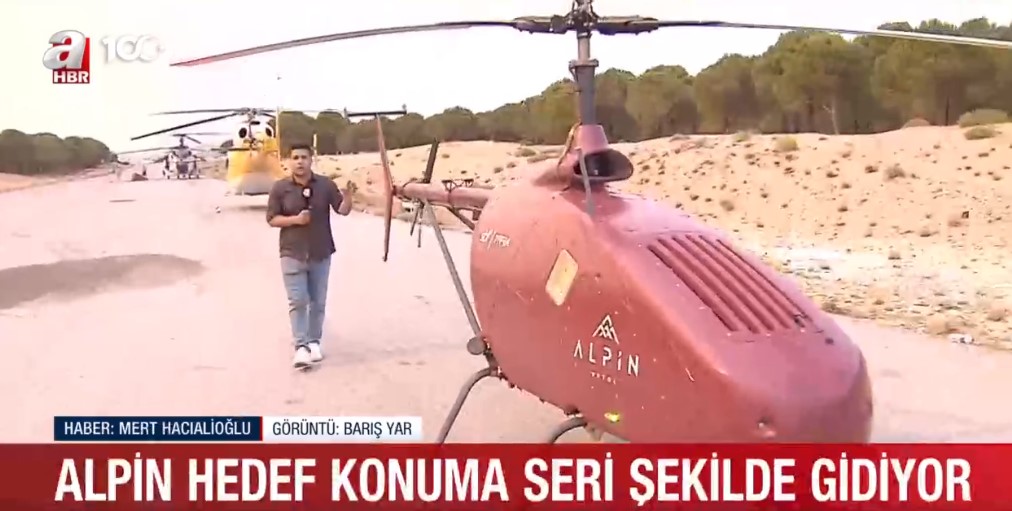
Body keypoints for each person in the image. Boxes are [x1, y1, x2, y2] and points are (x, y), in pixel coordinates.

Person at [265, 143, 356, 368]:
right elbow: (272, 219)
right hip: (291, 252)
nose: (299, 162)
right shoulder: (280, 188)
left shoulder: (325, 185)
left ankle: (314, 341)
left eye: (304, 157)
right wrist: (295, 220)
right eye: (295, 157)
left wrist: (348, 197)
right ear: (289, 161)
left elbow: (342, 210)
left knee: (318, 301)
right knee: (298, 300)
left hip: (320, 251)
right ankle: (301, 347)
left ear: (311, 160)